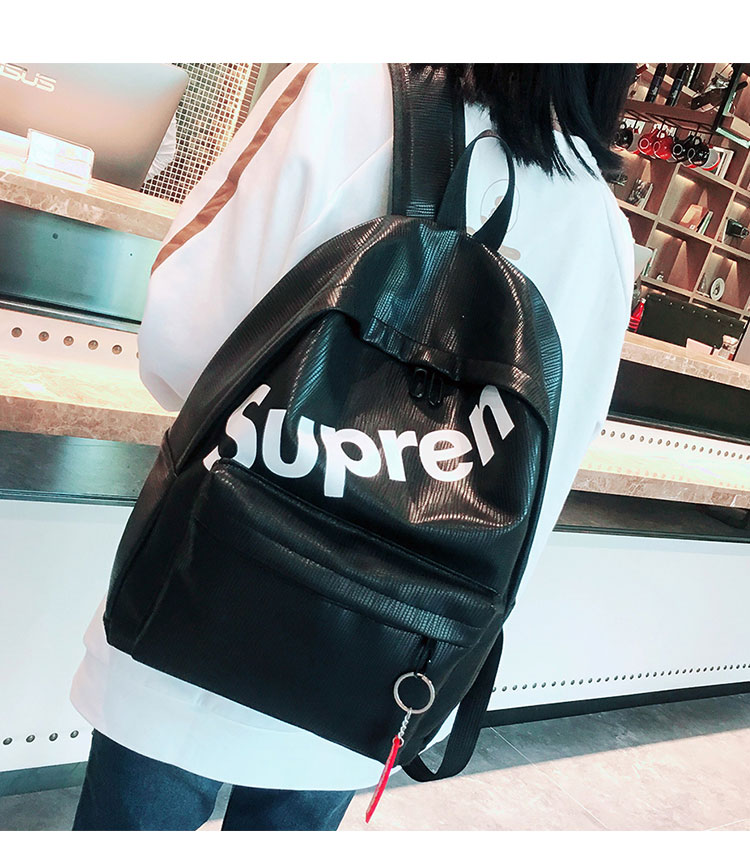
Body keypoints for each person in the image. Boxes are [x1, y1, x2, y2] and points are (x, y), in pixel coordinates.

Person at [70, 62, 636, 831]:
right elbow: (541, 493)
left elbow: (178, 347)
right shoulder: (604, 231)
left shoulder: (346, 88)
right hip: (379, 672)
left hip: (198, 615)